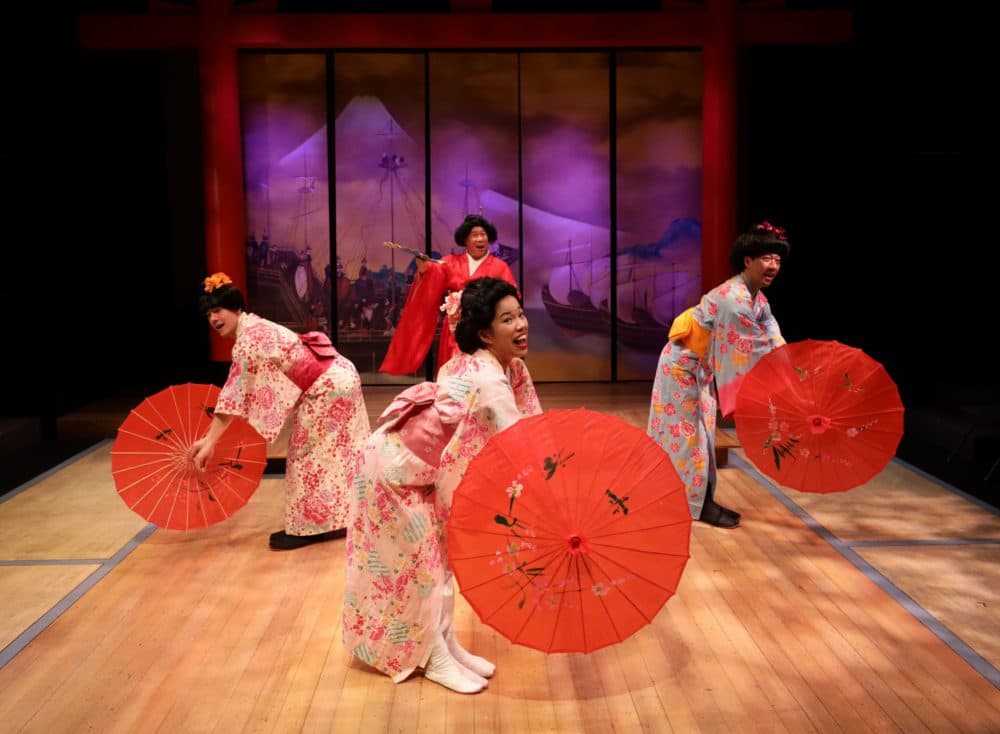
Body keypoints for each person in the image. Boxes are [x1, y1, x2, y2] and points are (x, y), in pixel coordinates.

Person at [343, 277, 541, 693]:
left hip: (412, 470)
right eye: (508, 319)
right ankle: (432, 657)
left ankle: (446, 644)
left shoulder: (470, 362)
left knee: (441, 561)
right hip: (392, 474)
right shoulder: (488, 381)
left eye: (520, 314)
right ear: (486, 334)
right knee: (426, 569)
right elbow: (520, 446)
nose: (521, 325)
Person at [191, 272, 371, 550]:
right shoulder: (253, 325)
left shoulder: (247, 340)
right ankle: (344, 519)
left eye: (218, 311)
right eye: (208, 315)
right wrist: (210, 438)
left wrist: (210, 441)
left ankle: (306, 530)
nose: (213, 319)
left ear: (236, 308)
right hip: (337, 375)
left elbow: (232, 397)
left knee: (306, 457)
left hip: (328, 386)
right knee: (338, 455)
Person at [647, 221, 790, 528]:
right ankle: (689, 504)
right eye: (766, 258)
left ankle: (701, 501)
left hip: (699, 370)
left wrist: (792, 366)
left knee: (703, 435)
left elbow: (772, 339)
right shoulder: (733, 299)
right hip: (682, 368)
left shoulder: (757, 299)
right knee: (688, 439)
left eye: (777, 260)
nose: (773, 266)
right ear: (747, 260)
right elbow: (749, 349)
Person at [379, 213, 517, 376]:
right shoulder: (450, 262)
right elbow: (434, 272)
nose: (480, 239)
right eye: (475, 235)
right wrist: (424, 269)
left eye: (483, 234)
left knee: (484, 372)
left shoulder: (500, 267)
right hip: (455, 329)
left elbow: (512, 297)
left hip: (485, 329)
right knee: (454, 374)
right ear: (465, 240)